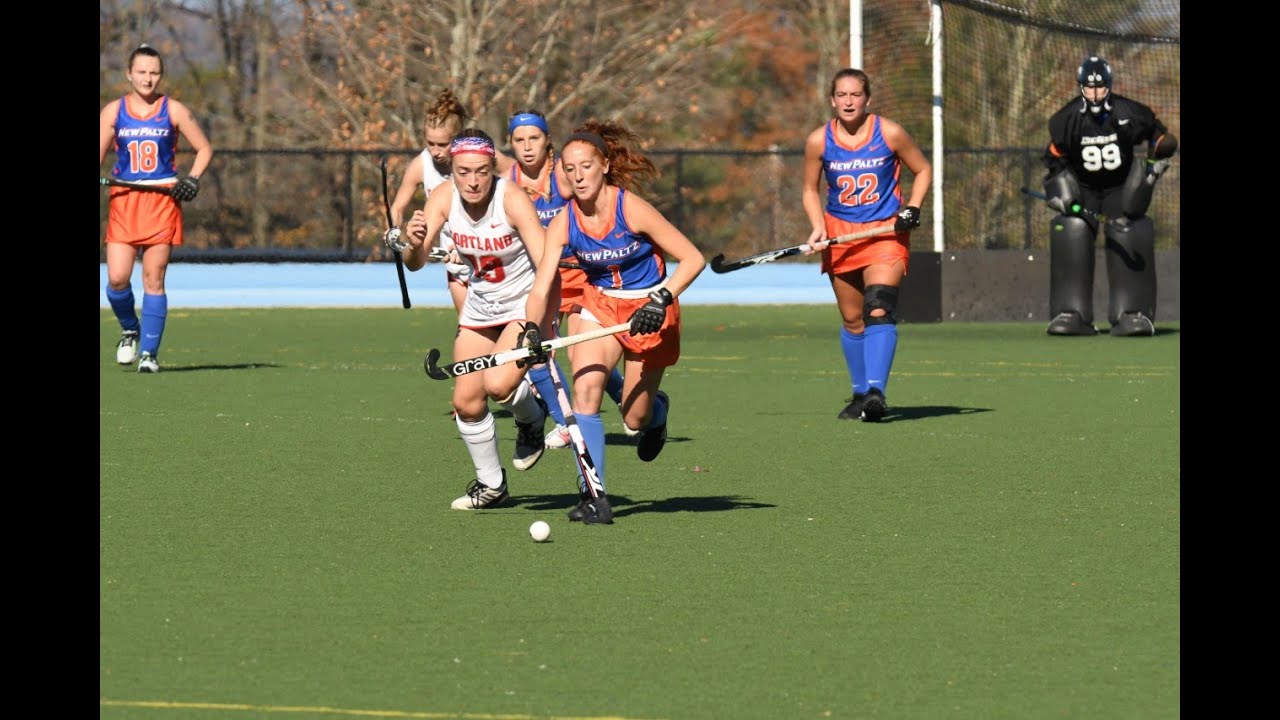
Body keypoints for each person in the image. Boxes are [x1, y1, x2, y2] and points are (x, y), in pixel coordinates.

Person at [531, 120, 707, 525]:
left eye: (586, 167)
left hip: (650, 311)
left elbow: (692, 258)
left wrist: (660, 299)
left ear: (605, 166)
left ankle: (657, 414)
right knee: (585, 392)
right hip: (600, 305)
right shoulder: (564, 222)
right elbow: (542, 287)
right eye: (570, 169)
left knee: (634, 418)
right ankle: (594, 495)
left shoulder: (631, 208)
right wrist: (532, 329)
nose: (578, 176)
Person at [393, 129, 556, 510]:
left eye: (481, 171)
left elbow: (547, 265)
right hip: (481, 308)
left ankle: (532, 418)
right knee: (466, 402)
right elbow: (415, 263)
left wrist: (539, 323)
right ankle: (492, 485)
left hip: (523, 307)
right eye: (463, 171)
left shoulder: (511, 200)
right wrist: (412, 242)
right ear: (452, 168)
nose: (473, 181)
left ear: (492, 168)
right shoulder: (442, 197)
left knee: (498, 385)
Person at [802, 68, 932, 423]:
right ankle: (860, 394)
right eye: (842, 95)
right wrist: (817, 227)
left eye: (855, 95)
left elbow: (923, 170)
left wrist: (912, 208)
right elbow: (810, 189)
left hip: (885, 235)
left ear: (867, 99)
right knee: (853, 319)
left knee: (879, 308)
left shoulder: (889, 132)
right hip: (840, 236)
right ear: (832, 100)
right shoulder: (819, 140)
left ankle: (876, 391)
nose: (848, 101)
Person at [504, 110, 629, 451]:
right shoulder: (508, 180)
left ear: (548, 141)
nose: (527, 147)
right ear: (510, 144)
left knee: (580, 354)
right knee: (538, 349)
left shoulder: (563, 172)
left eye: (534, 138)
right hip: (542, 276)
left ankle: (624, 398)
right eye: (519, 140)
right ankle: (565, 421)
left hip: (580, 275)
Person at [1041, 55, 1178, 337]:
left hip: (1120, 187)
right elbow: (1054, 158)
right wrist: (1056, 191)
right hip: (1083, 189)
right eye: (1089, 88)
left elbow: (1158, 136)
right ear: (1081, 87)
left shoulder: (1129, 113)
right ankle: (1071, 313)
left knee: (1129, 227)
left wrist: (1157, 158)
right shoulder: (1067, 120)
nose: (1095, 94)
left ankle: (1132, 313)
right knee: (1072, 229)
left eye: (1100, 87)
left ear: (1109, 86)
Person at [100, 43, 213, 373]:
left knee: (154, 278)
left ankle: (149, 353)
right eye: (141, 72)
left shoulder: (173, 110)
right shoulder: (113, 112)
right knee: (117, 278)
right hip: (125, 202)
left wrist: (192, 179)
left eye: (154, 73)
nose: (148, 79)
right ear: (129, 74)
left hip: (162, 202)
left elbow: (204, 149)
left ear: (161, 75)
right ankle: (130, 329)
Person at [388, 88, 515, 314]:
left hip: (491, 254)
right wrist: (393, 232)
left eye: (443, 144)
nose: (435, 151)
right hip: (454, 261)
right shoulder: (421, 165)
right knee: (468, 322)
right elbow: (397, 207)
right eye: (431, 143)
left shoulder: (478, 154)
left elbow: (515, 173)